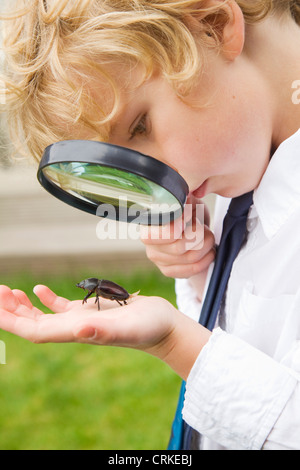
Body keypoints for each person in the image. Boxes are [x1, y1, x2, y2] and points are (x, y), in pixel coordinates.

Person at [1, 0, 300, 450]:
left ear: (214, 26)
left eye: (140, 126)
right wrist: (200, 269)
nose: (152, 183)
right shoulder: (236, 171)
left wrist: (175, 342)